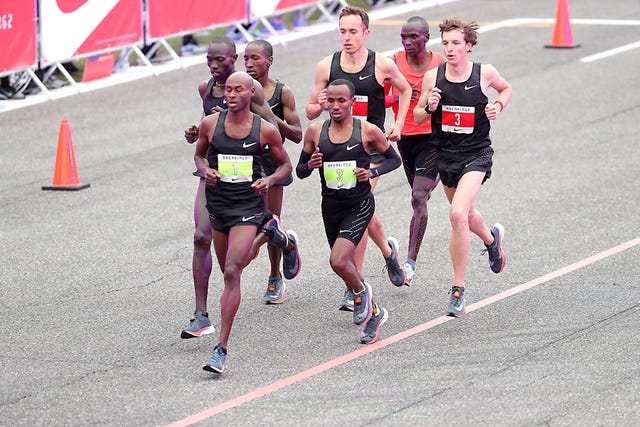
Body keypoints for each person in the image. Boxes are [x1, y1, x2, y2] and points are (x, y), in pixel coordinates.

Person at [306, 6, 411, 310]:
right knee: (363, 212)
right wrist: (319, 105)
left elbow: (405, 90)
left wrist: (399, 123)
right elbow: (310, 110)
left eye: (353, 31)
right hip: (339, 150)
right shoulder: (327, 66)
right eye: (343, 31)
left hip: (370, 148)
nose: (347, 37)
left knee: (357, 206)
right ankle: (389, 252)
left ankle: (357, 284)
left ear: (366, 33)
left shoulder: (381, 64)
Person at [195, 71, 301, 373]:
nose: (230, 95)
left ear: (251, 95)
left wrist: (268, 180)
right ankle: (276, 235)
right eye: (228, 90)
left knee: (232, 271)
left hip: (248, 206)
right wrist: (206, 171)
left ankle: (221, 349)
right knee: (230, 266)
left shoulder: (265, 130)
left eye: (238, 90)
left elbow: (285, 165)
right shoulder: (210, 125)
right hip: (219, 206)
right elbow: (199, 157)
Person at [180, 36, 283, 338]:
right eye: (209, 60)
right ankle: (201, 315)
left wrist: (264, 167)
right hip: (213, 178)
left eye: (220, 61)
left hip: (247, 184)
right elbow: (205, 131)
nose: (213, 65)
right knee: (201, 236)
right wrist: (196, 133)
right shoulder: (206, 89)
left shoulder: (252, 90)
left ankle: (272, 234)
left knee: (234, 263)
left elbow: (273, 130)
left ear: (234, 59)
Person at [413, 18, 512, 317]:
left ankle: (458, 290)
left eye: (456, 43)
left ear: (468, 45)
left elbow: (505, 89)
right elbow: (417, 117)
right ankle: (492, 240)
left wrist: (498, 105)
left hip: (476, 154)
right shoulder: (433, 77)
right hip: (446, 155)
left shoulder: (484, 73)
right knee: (466, 214)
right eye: (445, 43)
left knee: (456, 214)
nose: (450, 48)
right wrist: (428, 106)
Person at [297, 79, 401, 344]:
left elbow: (394, 159)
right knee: (348, 265)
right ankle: (375, 312)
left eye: (341, 101)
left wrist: (372, 172)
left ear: (353, 102)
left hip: (360, 204)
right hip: (331, 207)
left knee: (338, 260)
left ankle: (362, 293)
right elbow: (299, 171)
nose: (334, 106)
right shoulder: (315, 132)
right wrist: (311, 164)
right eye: (330, 101)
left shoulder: (366, 131)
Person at [385, 16, 444, 286]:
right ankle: (438, 175)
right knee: (419, 194)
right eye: (403, 38)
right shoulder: (394, 63)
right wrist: (396, 97)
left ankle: (409, 263)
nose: (407, 43)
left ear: (426, 38)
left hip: (433, 138)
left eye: (413, 38)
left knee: (418, 196)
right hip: (405, 139)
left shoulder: (439, 64)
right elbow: (383, 96)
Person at [244, 39, 303, 304]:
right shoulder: (239, 89)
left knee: (271, 221)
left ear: (269, 61)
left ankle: (274, 276)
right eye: (245, 59)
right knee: (251, 221)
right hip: (245, 164)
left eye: (255, 58)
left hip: (271, 164)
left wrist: (267, 115)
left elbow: (297, 135)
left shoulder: (282, 92)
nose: (249, 64)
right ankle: (288, 243)